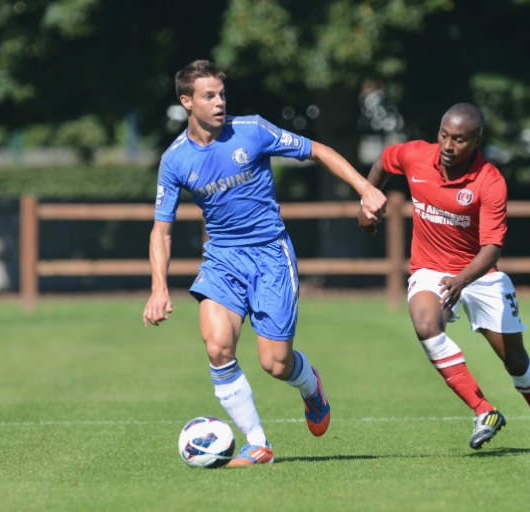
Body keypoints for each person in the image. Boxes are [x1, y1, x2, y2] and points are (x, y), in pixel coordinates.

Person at [143, 60, 387, 466]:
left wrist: (365, 188)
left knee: (275, 363)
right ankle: (258, 443)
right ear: (186, 102)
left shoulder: (252, 130)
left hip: (271, 255)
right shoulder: (175, 159)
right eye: (209, 96)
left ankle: (310, 387)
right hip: (222, 259)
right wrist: (158, 288)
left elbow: (318, 150)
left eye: (222, 94)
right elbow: (161, 231)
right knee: (217, 346)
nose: (219, 102)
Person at [358, 103, 530, 453]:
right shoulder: (416, 155)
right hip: (430, 269)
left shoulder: (490, 181)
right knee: (426, 325)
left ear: (476, 141)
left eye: (459, 139)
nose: (448, 145)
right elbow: (384, 160)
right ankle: (484, 410)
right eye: (444, 135)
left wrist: (461, 280)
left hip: (479, 273)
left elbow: (492, 248)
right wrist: (367, 201)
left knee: (516, 362)